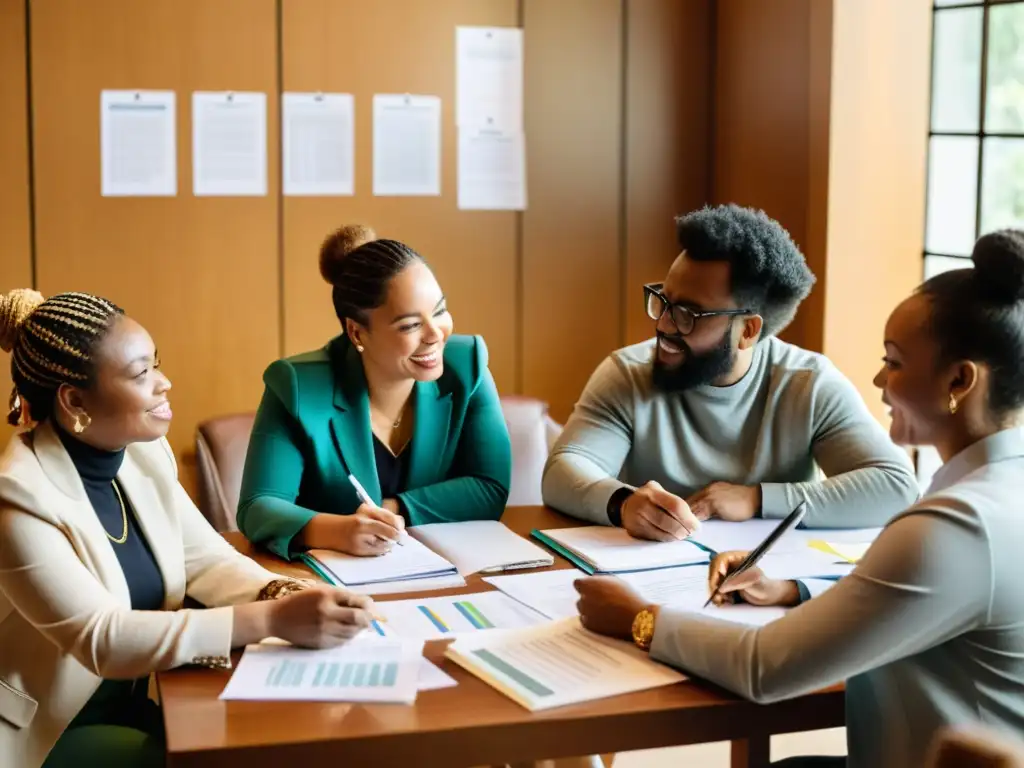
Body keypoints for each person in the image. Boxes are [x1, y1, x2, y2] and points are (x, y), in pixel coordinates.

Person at [574, 229, 1024, 768]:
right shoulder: (992, 497)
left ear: (959, 380)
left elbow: (765, 667)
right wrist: (791, 589)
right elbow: (917, 597)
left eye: (896, 361)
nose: (879, 379)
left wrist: (639, 619)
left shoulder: (955, 526)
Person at [0, 290, 375, 768]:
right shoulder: (18, 498)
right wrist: (272, 622)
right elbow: (103, 639)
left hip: (140, 701)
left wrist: (288, 592)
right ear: (74, 400)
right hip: (47, 733)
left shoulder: (139, 452)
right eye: (141, 374)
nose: (164, 383)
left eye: (156, 364)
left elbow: (204, 558)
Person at [543, 204, 918, 538]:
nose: (664, 326)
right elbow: (562, 473)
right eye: (663, 301)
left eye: (688, 313)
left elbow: (895, 486)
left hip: (768, 587)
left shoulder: (809, 384)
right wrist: (623, 503)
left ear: (748, 331)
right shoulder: (628, 374)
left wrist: (756, 499)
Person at [238, 225, 512, 560]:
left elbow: (489, 488)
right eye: (410, 325)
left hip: (438, 571)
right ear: (356, 332)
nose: (435, 334)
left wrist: (393, 509)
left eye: (439, 311)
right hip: (333, 582)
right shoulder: (297, 385)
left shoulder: (466, 365)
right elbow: (258, 507)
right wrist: (337, 530)